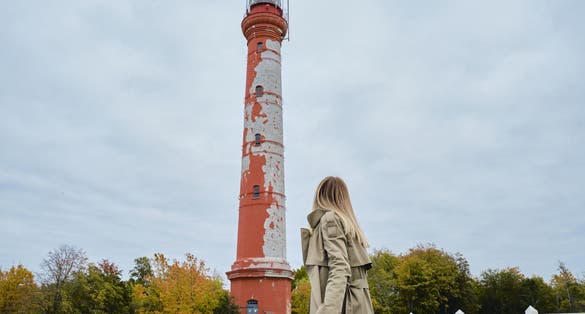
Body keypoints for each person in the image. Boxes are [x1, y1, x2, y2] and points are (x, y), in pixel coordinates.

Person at [301, 176, 374, 314]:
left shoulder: (330, 220)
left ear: (319, 195)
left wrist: (328, 311)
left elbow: (339, 266)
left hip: (343, 307)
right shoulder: (349, 226)